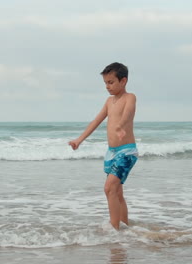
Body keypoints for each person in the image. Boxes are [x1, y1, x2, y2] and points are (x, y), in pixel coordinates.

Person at [68, 62, 138, 230]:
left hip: (127, 151)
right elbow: (96, 121)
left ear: (123, 81)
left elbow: (128, 114)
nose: (107, 86)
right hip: (111, 153)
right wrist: (80, 139)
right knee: (117, 192)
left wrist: (121, 126)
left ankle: (114, 231)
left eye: (111, 82)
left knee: (109, 188)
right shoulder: (109, 101)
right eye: (105, 83)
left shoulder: (130, 97)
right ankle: (125, 228)